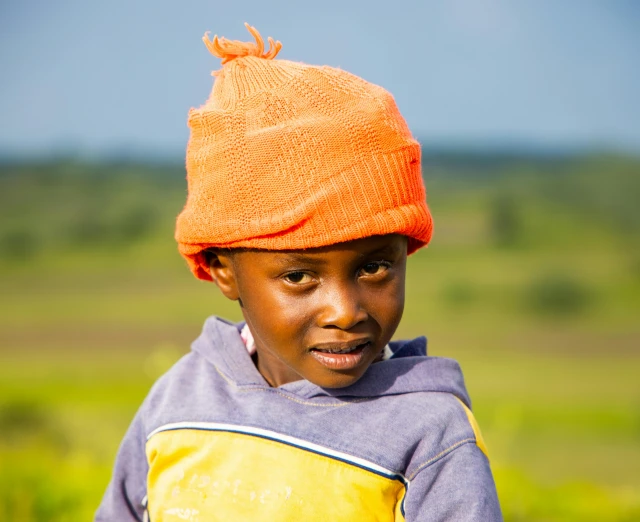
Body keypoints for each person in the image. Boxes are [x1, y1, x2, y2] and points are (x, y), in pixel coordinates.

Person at [95, 23, 502, 521]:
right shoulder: (178, 402)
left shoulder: (427, 433)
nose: (344, 311)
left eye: (374, 267)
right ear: (222, 269)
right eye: (298, 277)